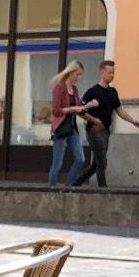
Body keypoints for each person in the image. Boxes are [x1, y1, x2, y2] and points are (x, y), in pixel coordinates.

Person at [70, 59, 139, 188]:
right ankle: (103, 189)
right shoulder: (92, 91)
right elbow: (80, 110)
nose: (112, 75)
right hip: (94, 130)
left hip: (105, 131)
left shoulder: (113, 92)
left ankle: (75, 184)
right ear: (102, 72)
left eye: (113, 73)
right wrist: (93, 120)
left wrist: (133, 121)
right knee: (102, 162)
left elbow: (119, 110)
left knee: (96, 164)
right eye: (109, 72)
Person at [47, 60, 95, 188]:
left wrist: (90, 106)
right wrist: (72, 109)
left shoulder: (74, 89)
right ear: (71, 72)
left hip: (72, 128)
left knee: (80, 158)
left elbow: (79, 108)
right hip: (61, 128)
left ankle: (69, 186)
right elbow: (56, 111)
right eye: (78, 75)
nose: (79, 78)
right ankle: (52, 187)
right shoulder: (59, 88)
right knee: (57, 162)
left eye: (81, 75)